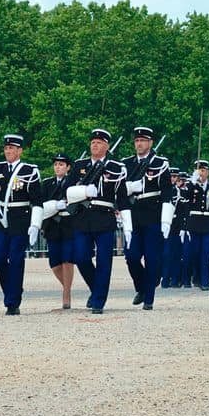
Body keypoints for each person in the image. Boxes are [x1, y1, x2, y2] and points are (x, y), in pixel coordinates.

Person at [66, 129, 123, 314]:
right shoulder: (79, 165)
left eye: (99, 142)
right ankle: (96, 289)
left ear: (107, 146)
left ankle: (98, 302)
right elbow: (67, 190)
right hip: (82, 216)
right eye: (93, 142)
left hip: (104, 217)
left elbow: (120, 196)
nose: (95, 145)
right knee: (81, 257)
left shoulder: (116, 167)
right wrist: (83, 192)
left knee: (104, 260)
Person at [120, 126, 172, 311]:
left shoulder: (160, 163)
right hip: (132, 215)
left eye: (143, 140)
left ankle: (149, 298)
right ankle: (142, 287)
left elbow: (167, 193)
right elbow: (118, 190)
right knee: (131, 256)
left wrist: (166, 220)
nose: (139, 143)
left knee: (152, 258)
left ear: (150, 143)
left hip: (152, 215)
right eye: (137, 140)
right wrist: (130, 188)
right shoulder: (126, 164)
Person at [0, 134, 43, 315]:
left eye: (11, 148)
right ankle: (12, 290)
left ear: (20, 150)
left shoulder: (29, 171)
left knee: (16, 259)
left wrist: (35, 225)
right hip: (2, 218)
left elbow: (37, 200)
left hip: (20, 219)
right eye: (6, 148)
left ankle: (12, 302)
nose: (8, 151)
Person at [37, 153, 76, 309]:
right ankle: (67, 288)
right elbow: (41, 202)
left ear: (68, 167)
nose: (58, 167)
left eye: (61, 164)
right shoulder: (47, 184)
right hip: (52, 225)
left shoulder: (73, 183)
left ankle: (66, 295)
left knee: (67, 259)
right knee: (54, 263)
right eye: (56, 164)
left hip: (68, 223)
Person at [182, 160, 209, 290]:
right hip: (194, 223)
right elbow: (185, 200)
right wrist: (192, 183)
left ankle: (206, 281)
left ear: (208, 172)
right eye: (199, 171)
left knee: (206, 253)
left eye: (203, 171)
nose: (201, 173)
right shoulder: (190, 186)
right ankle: (196, 278)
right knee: (195, 253)